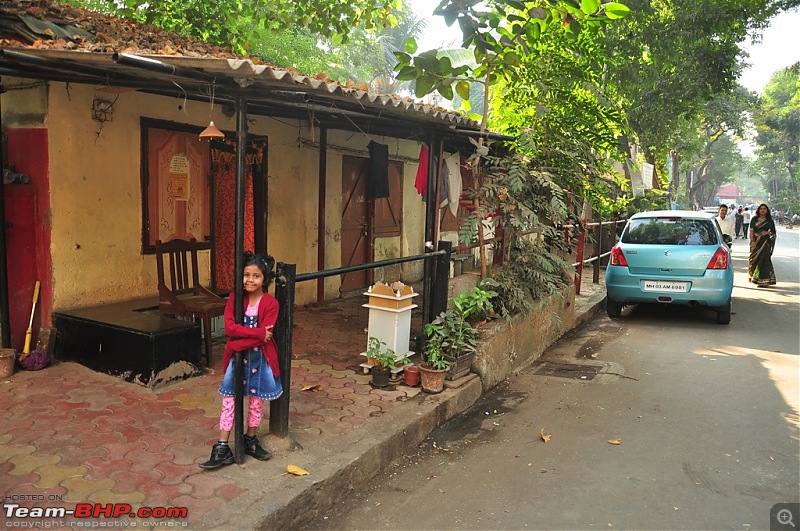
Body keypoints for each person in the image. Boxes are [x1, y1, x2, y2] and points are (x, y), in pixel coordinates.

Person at [200, 252, 282, 469]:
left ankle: (250, 440)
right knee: (229, 401)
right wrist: (256, 334)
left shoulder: (271, 304)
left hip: (260, 360)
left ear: (265, 279)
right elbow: (229, 328)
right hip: (238, 361)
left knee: (256, 402)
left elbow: (262, 337)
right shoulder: (235, 299)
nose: (250, 280)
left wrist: (235, 343)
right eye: (246, 275)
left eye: (256, 276)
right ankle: (222, 446)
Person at [748, 203, 777, 287]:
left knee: (764, 260)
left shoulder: (769, 221)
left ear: (767, 210)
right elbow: (751, 231)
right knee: (753, 259)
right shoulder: (754, 219)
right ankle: (754, 277)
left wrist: (767, 232)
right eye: (761, 209)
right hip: (756, 242)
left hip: (765, 243)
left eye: (764, 209)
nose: (762, 210)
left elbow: (773, 232)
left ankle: (763, 280)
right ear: (758, 210)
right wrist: (752, 241)